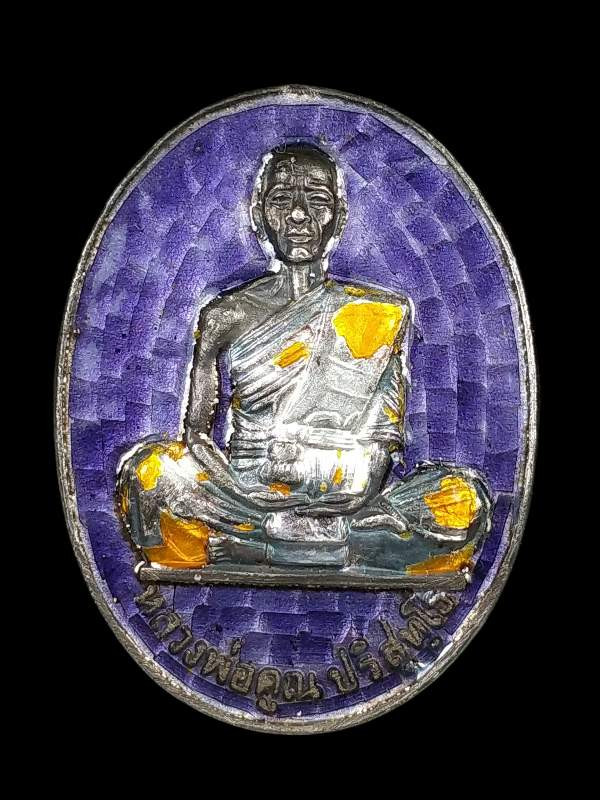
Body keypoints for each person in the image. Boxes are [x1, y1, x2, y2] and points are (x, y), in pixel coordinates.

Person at [118, 144, 492, 576]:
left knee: (463, 501)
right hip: (246, 495)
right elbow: (198, 437)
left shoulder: (376, 314)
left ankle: (260, 548)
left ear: (339, 217)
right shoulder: (225, 314)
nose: (298, 215)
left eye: (316, 200)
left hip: (348, 500)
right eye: (281, 199)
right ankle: (331, 547)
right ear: (259, 214)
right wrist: (245, 494)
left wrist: (352, 495)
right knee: (147, 475)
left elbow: (381, 444)